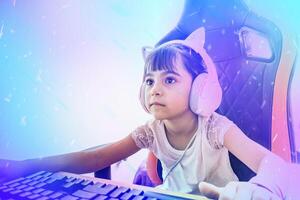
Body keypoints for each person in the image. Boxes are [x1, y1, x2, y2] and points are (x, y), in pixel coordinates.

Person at [0, 28, 298, 200]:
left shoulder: (216, 129)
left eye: (169, 79)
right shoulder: (150, 131)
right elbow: (95, 159)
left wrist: (259, 189)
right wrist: (27, 167)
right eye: (149, 80)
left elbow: (270, 163)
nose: (155, 89)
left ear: (201, 89)